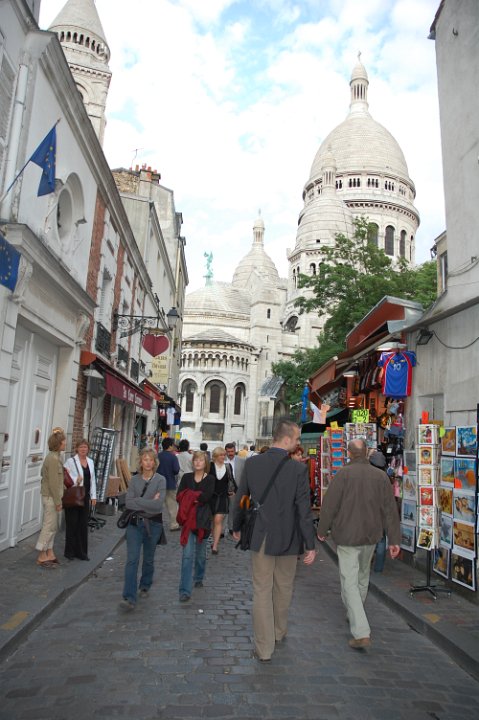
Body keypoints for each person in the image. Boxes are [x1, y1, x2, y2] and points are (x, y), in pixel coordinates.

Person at [232, 419, 317, 662]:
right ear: (287, 439)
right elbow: (304, 510)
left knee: (262, 590)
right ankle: (279, 631)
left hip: (261, 534)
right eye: (297, 439)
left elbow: (241, 498)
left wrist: (236, 525)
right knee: (284, 587)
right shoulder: (298, 470)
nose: (298, 443)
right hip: (289, 537)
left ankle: (264, 648)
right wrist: (310, 544)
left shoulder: (253, 463)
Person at [317, 438, 400, 649]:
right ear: (366, 453)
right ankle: (355, 611)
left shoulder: (343, 474)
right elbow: (390, 510)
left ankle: (361, 630)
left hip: (347, 535)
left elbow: (329, 505)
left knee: (349, 580)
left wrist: (322, 530)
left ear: (349, 453)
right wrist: (394, 539)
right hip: (371, 535)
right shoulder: (380, 476)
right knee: (362, 576)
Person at [120, 448, 166, 611]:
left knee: (148, 558)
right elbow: (128, 503)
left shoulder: (160, 480)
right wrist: (147, 501)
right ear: (141, 462)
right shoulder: (134, 480)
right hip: (135, 523)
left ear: (155, 462)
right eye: (145, 459)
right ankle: (129, 597)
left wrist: (138, 501)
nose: (148, 463)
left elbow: (158, 506)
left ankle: (145, 585)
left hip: (153, 524)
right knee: (132, 559)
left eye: (151, 460)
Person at [176, 450, 215, 602]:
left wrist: (190, 496)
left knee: (200, 555)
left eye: (201, 460)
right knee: (187, 556)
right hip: (188, 520)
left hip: (203, 521)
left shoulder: (210, 479)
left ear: (206, 464)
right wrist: (194, 497)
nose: (198, 462)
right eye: (196, 460)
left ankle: (198, 576)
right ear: (192, 462)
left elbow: (206, 497)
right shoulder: (186, 477)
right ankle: (185, 590)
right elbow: (180, 496)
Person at [36, 428, 66, 567]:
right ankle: (42, 554)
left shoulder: (55, 457)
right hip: (51, 497)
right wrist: (58, 502)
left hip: (52, 496)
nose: (65, 443)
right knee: (48, 525)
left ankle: (50, 551)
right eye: (63, 441)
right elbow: (53, 483)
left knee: (53, 526)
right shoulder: (53, 459)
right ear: (58, 443)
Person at [63, 438, 97, 561]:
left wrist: (93, 496)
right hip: (74, 495)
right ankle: (69, 552)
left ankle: (81, 552)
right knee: (72, 524)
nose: (83, 449)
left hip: (85, 496)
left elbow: (93, 480)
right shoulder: (70, 461)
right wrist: (75, 480)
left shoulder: (90, 462)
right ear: (77, 448)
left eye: (85, 447)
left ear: (88, 449)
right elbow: (64, 477)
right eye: (81, 447)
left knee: (82, 524)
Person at [209, 446, 236, 555]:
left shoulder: (228, 466)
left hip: (223, 497)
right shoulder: (210, 466)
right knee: (213, 521)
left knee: (218, 520)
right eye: (221, 455)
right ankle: (213, 539)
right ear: (215, 456)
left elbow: (231, 479)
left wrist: (234, 490)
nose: (223, 457)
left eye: (224, 455)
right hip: (211, 497)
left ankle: (215, 545)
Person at [368, 450, 388, 573]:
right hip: (381, 513)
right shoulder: (385, 477)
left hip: (369, 512)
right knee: (381, 539)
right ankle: (379, 567)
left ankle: (366, 563)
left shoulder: (367, 475)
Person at [157, 437, 180, 531]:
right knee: (172, 505)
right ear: (170, 446)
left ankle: (154, 522)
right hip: (170, 483)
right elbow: (176, 470)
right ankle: (174, 525)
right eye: (173, 445)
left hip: (158, 484)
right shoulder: (173, 457)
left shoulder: (158, 456)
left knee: (157, 504)